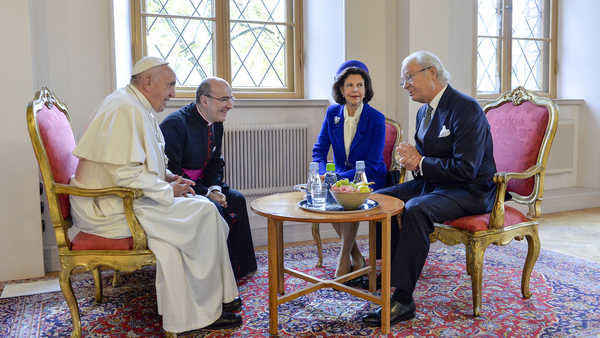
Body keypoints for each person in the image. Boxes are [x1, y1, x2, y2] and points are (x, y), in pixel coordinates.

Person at [69, 56, 243, 333]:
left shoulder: (135, 105)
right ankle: (207, 310)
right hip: (109, 206)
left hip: (123, 197)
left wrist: (170, 178)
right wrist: (168, 189)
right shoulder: (125, 108)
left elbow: (142, 164)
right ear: (148, 82)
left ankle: (218, 299)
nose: (174, 93)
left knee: (201, 206)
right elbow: (125, 175)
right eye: (170, 85)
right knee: (205, 211)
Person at [361, 51, 501, 327]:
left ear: (432, 73)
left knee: (415, 209)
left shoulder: (466, 109)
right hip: (435, 184)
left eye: (408, 77)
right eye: (404, 80)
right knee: (377, 200)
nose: (405, 85)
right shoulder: (424, 111)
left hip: (470, 190)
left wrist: (421, 160)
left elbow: (467, 169)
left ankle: (403, 299)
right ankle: (388, 272)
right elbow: (424, 162)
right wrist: (413, 161)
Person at [160, 77, 258, 278]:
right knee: (215, 207)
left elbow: (216, 161)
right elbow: (173, 172)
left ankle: (241, 268)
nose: (229, 106)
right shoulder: (175, 124)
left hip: (205, 185)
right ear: (204, 101)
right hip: (181, 189)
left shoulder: (216, 122)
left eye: (231, 99)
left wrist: (215, 189)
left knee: (236, 199)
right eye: (224, 100)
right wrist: (206, 193)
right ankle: (219, 274)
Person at [312, 60, 387, 284]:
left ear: (366, 89)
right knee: (331, 194)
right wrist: (323, 173)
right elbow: (319, 150)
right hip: (340, 177)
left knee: (347, 197)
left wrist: (336, 179)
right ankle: (356, 256)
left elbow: (372, 164)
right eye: (350, 85)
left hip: (368, 179)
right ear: (341, 90)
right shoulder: (332, 113)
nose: (355, 90)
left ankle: (343, 259)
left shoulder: (376, 118)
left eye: (360, 85)